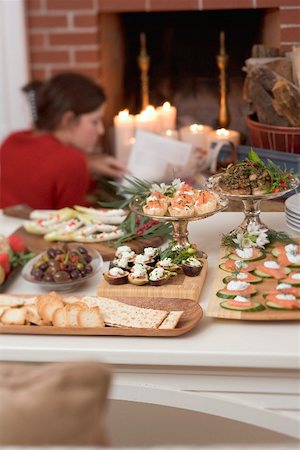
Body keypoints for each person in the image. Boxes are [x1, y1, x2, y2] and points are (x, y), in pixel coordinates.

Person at [0, 72, 127, 210]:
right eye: (94, 122)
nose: (101, 130)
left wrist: (87, 163)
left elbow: (41, 164)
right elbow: (75, 221)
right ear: (67, 120)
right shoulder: (71, 161)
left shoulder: (12, 140)